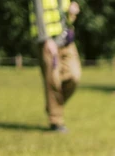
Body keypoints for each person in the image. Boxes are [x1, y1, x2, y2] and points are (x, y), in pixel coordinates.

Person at [30, 0, 81, 132]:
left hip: (66, 41)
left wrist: (72, 12)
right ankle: (56, 121)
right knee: (53, 81)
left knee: (74, 76)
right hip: (48, 43)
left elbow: (64, 16)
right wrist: (46, 40)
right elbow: (39, 14)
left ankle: (53, 105)